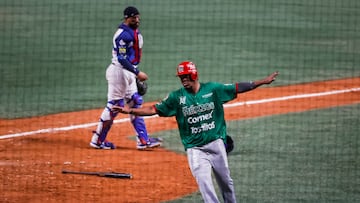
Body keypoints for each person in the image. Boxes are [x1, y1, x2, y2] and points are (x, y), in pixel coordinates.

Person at [112, 61, 279, 202]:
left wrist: (262, 81)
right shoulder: (176, 97)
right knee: (205, 185)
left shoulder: (213, 89)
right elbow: (154, 109)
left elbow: (237, 87)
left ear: (194, 75)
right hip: (195, 150)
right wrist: (131, 111)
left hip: (216, 145)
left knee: (226, 182)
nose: (183, 80)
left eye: (186, 76)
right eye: (181, 77)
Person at [89, 6, 162, 150]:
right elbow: (122, 58)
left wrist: (133, 72)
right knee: (115, 106)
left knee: (135, 102)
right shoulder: (122, 35)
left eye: (138, 17)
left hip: (127, 72)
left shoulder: (134, 32)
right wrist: (137, 72)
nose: (137, 20)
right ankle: (97, 140)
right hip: (119, 72)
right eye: (134, 17)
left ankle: (143, 140)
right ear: (127, 18)